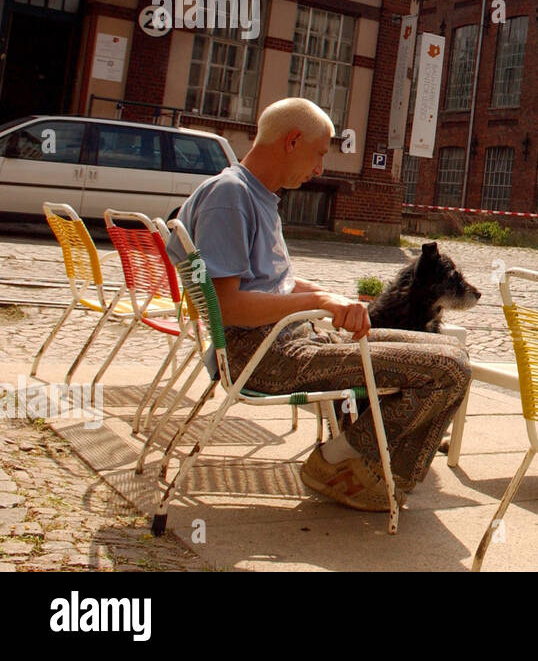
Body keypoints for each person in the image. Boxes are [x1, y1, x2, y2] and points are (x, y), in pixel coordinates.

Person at [166, 98, 471, 511]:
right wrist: (318, 301)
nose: (319, 169)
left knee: (452, 351)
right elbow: (228, 307)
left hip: (288, 342)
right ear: (293, 140)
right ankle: (345, 464)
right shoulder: (231, 197)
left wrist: (333, 300)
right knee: (450, 371)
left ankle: (359, 462)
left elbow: (274, 283)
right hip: (265, 355)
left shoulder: (252, 194)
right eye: (319, 153)